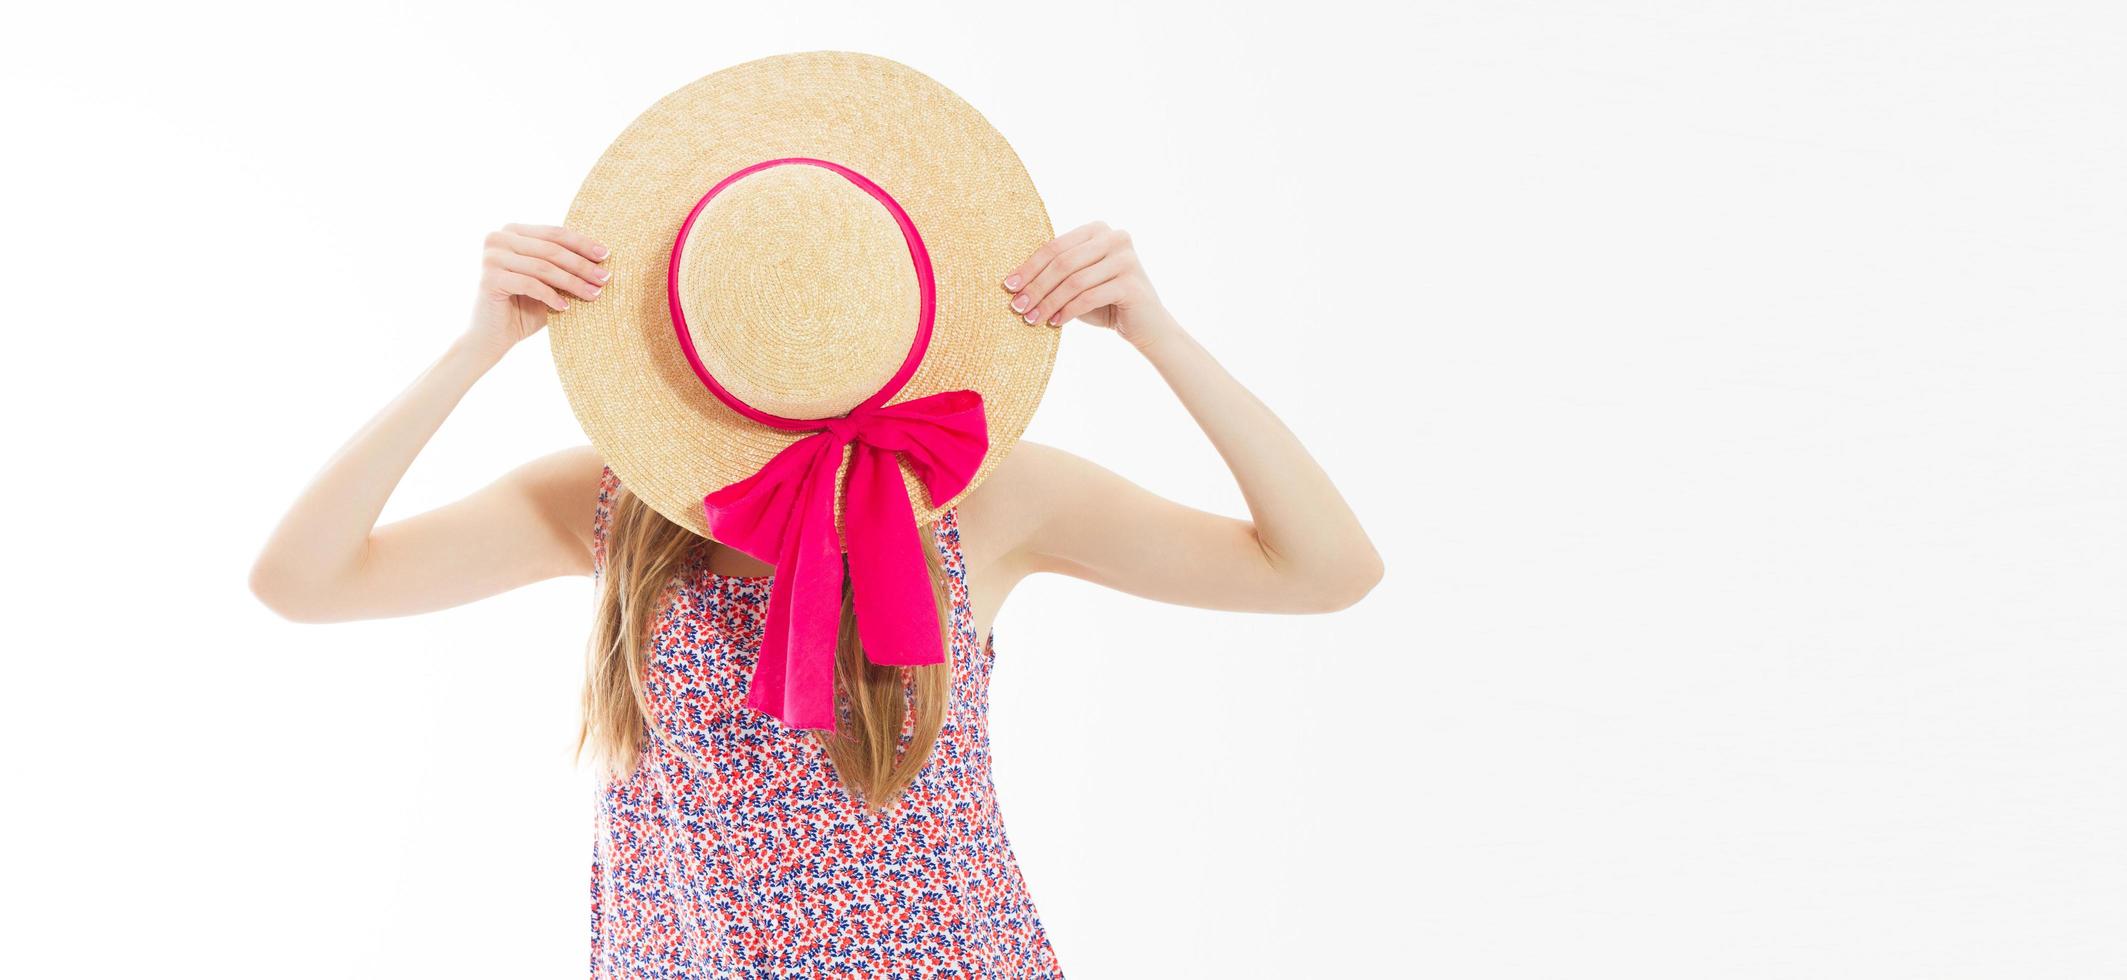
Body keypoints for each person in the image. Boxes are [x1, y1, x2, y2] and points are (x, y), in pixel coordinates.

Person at [248, 217, 1383, 975]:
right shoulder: (623, 504)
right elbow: (304, 578)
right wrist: (472, 351)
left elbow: (1325, 567)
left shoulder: (978, 499)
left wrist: (1159, 336)